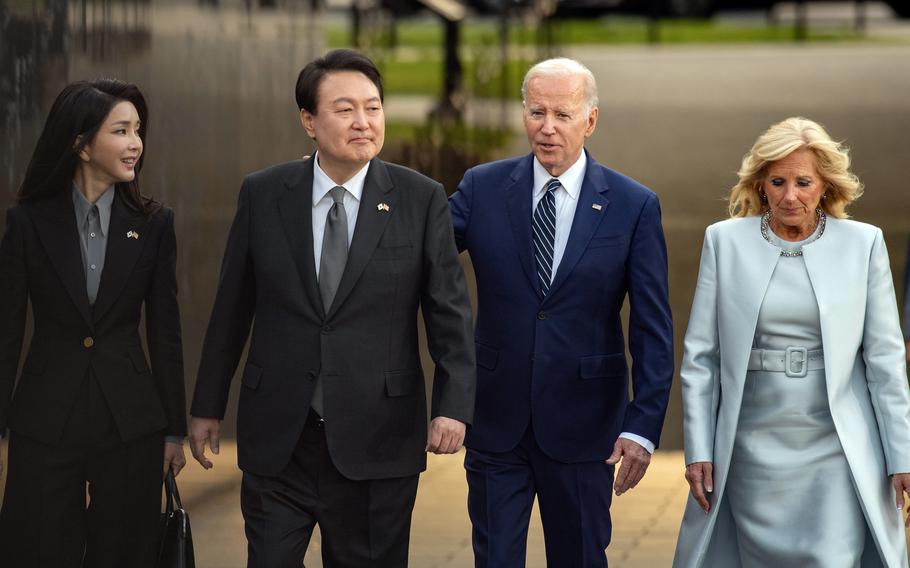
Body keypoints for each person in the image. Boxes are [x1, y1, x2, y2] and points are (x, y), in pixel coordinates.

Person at [188, 49, 475, 568]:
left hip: (378, 437)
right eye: (345, 110)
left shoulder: (420, 198)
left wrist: (453, 405)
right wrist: (207, 403)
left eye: (373, 107)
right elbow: (232, 307)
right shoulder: (264, 193)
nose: (363, 122)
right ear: (309, 121)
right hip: (281, 435)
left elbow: (449, 314)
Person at [449, 58, 674, 567]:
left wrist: (642, 425)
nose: (547, 127)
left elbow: (652, 328)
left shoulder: (633, 205)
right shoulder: (482, 188)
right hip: (495, 419)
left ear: (590, 121)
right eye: (536, 112)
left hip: (586, 424)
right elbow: (418, 257)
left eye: (562, 115)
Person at [673, 117, 910, 567]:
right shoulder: (724, 241)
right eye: (777, 181)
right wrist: (700, 447)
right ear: (760, 184)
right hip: (749, 443)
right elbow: (701, 357)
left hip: (835, 445)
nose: (789, 195)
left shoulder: (864, 244)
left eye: (803, 182)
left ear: (825, 186)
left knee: (831, 557)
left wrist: (903, 455)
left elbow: (885, 360)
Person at [0, 79, 187, 567]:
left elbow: (165, 333)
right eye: (121, 131)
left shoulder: (154, 223)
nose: (135, 144)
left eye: (138, 131)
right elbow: (6, 331)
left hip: (129, 421)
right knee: (37, 549)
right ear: (81, 145)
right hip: (45, 419)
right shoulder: (27, 223)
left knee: (124, 552)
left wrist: (173, 431)